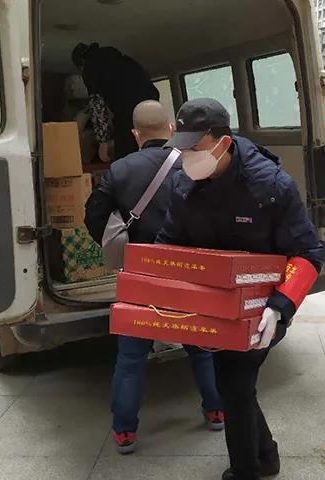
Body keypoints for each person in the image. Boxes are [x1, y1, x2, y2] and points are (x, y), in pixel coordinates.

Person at [156, 98, 325, 480]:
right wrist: (159, 296)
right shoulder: (183, 183)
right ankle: (266, 456)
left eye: (195, 148)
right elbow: (168, 241)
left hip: (262, 307)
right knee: (235, 386)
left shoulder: (271, 187)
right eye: (182, 148)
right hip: (214, 304)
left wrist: (280, 307)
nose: (187, 157)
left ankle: (246, 470)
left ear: (223, 143)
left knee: (233, 383)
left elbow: (309, 253)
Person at [84, 100, 224, 455]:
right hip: (190, 273)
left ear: (135, 134)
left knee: (131, 358)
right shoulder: (194, 163)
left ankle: (125, 432)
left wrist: (123, 245)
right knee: (201, 349)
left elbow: (93, 217)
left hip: (141, 274)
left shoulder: (119, 170)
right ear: (172, 129)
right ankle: (216, 410)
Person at [72, 42, 160, 162]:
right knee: (153, 150)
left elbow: (97, 106)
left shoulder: (90, 68)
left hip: (129, 113)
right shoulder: (126, 61)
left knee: (127, 157)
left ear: (81, 62)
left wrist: (103, 142)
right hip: (153, 108)